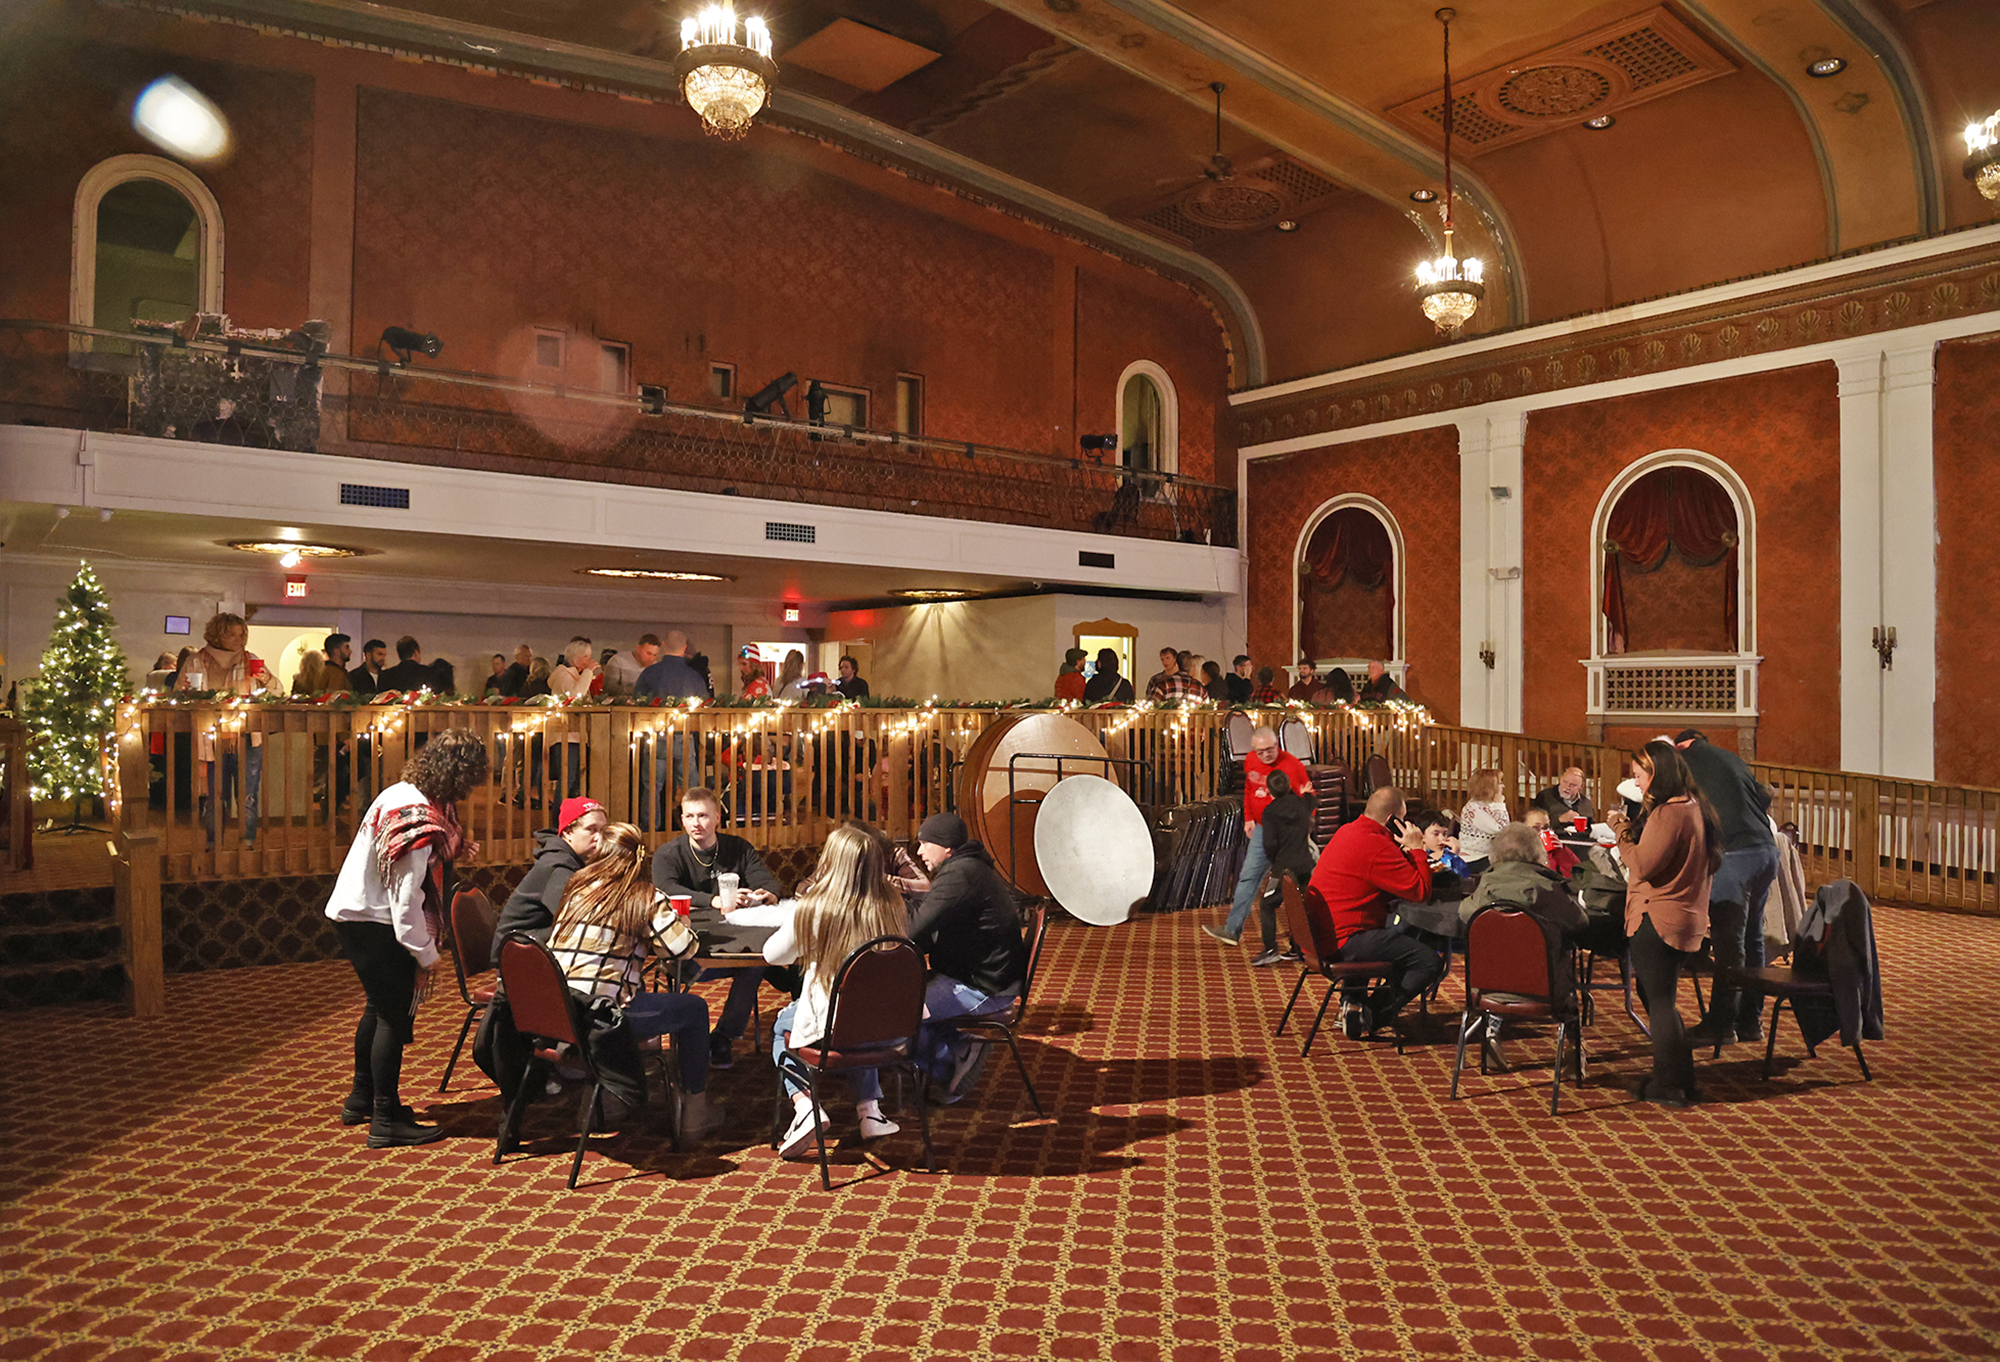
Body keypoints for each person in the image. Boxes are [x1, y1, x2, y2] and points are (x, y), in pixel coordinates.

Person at [324, 727, 488, 1147]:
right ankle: (385, 1119)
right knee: (393, 1019)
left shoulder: (400, 792)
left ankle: (363, 1099)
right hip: (375, 921)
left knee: (378, 1009)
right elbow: (405, 899)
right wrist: (426, 954)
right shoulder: (417, 820)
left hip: (355, 912)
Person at [539, 822, 721, 1142]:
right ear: (640, 859)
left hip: (556, 1015)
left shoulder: (575, 887)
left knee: (629, 988)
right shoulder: (644, 896)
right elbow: (683, 948)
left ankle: (602, 1103)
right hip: (601, 1018)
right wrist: (683, 924)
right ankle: (694, 1112)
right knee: (694, 1009)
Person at [766, 823, 910, 1155]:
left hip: (834, 1028)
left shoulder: (816, 906)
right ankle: (870, 1111)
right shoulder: (892, 903)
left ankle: (806, 1107)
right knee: (859, 1015)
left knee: (781, 1029)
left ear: (830, 861)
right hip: (892, 1026)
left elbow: (773, 955)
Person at [1612, 739, 1721, 1108]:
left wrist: (1622, 831)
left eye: (1640, 776)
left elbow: (1641, 865)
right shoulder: (1696, 807)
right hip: (1683, 915)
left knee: (1658, 1002)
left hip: (1657, 918)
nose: (1637, 784)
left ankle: (1668, 1084)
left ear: (1658, 776)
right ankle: (1680, 1078)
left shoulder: (1668, 814)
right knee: (1662, 1000)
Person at [891, 812, 1028, 1103]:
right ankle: (960, 1047)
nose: (918, 851)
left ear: (946, 847)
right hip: (981, 975)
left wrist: (889, 903)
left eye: (925, 843)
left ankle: (952, 1063)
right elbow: (927, 928)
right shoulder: (968, 868)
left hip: (983, 987)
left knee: (892, 1016)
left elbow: (914, 929)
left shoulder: (960, 874)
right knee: (896, 997)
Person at [651, 787, 785, 1069]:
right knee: (767, 964)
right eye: (689, 816)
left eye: (702, 816)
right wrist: (714, 900)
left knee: (755, 964)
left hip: (736, 943)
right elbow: (667, 888)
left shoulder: (738, 847)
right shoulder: (668, 853)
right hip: (690, 946)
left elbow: (769, 882)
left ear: (717, 818)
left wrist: (764, 895)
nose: (695, 823)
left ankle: (724, 1036)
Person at [1308, 785, 1440, 1038]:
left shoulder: (1348, 830)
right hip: (1345, 939)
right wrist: (1418, 849)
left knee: (1391, 930)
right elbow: (1420, 891)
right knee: (1428, 960)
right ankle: (1370, 1014)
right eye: (1403, 821)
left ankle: (1352, 1003)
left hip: (1322, 934)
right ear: (1392, 821)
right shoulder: (1376, 845)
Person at [1675, 728, 1779, 1047]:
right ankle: (1751, 1020)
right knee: (1753, 937)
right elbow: (1763, 796)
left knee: (1728, 945)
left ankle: (1721, 1025)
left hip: (1734, 855)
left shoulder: (1684, 761)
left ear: (1682, 745)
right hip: (1766, 850)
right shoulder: (1732, 758)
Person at [1205, 725, 1312, 948]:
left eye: (1268, 750)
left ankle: (1306, 939)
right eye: (1260, 751)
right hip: (1263, 828)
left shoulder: (1293, 765)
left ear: (1277, 745)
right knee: (1248, 877)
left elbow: (1309, 799)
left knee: (1298, 888)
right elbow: (1249, 790)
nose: (1264, 755)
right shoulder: (1251, 761)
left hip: (1288, 835)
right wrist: (1248, 818)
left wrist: (1300, 829)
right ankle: (1232, 930)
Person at [176, 612, 269, 848]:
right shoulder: (197, 660)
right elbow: (179, 693)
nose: (239, 640)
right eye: (232, 634)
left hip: (246, 736)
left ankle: (247, 841)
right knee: (216, 796)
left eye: (242, 634)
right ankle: (213, 842)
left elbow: (276, 692)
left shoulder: (251, 660)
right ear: (218, 634)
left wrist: (266, 678)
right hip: (212, 736)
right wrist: (187, 693)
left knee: (247, 794)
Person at [491, 797, 608, 958]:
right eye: (591, 829)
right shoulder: (558, 867)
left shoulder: (573, 860)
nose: (599, 838)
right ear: (568, 833)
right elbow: (577, 919)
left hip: (537, 949)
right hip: (519, 960)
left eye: (603, 830)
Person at [635, 630, 707, 824]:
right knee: (690, 787)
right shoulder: (694, 677)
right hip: (684, 736)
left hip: (656, 735)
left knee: (652, 786)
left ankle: (651, 828)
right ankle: (695, 825)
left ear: (664, 645)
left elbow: (637, 701)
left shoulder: (650, 673)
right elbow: (705, 705)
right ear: (684, 649)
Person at [1249, 769, 1313, 967]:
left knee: (1267, 905)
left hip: (1283, 867)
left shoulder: (1270, 811)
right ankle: (1298, 948)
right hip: (1305, 864)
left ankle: (1270, 950)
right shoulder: (1304, 804)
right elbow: (1312, 800)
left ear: (1269, 791)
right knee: (1300, 907)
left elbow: (1270, 843)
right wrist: (1306, 792)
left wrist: (1273, 861)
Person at [1457, 768, 1509, 873]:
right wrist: (1500, 804)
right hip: (1474, 859)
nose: (1503, 786)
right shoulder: (1474, 807)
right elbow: (1503, 829)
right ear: (1488, 787)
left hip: (1487, 857)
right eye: (1499, 783)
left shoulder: (1490, 804)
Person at [1531, 767, 1595, 842]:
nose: (1567, 787)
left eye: (1573, 785)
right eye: (1565, 782)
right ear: (1560, 780)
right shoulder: (1545, 797)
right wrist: (1559, 819)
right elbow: (1535, 824)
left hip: (1579, 843)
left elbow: (1591, 828)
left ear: (1581, 786)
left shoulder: (1586, 803)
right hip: (1552, 841)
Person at [1416, 810, 1468, 885]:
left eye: (1445, 833)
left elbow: (1464, 874)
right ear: (1422, 835)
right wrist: (1454, 853)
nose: (1442, 838)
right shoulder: (1418, 855)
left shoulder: (1446, 852)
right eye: (1436, 834)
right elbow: (1436, 876)